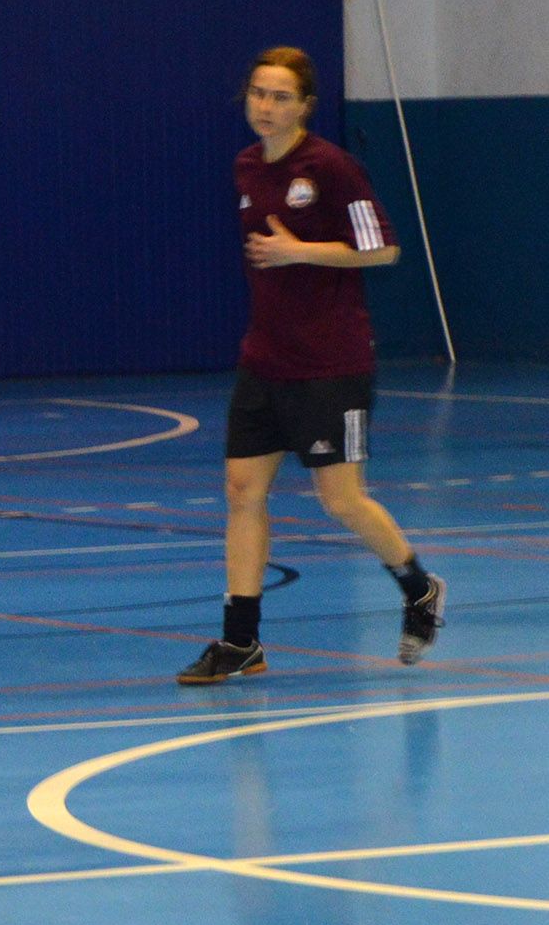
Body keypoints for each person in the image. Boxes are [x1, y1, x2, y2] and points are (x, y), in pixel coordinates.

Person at [176, 46, 445, 686]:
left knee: (341, 500)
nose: (265, 107)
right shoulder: (246, 165)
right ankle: (240, 642)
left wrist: (300, 251)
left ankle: (417, 588)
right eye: (258, 94)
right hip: (265, 359)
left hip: (332, 364)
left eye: (280, 97)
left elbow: (383, 250)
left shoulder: (330, 167)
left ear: (305, 106)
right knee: (243, 492)